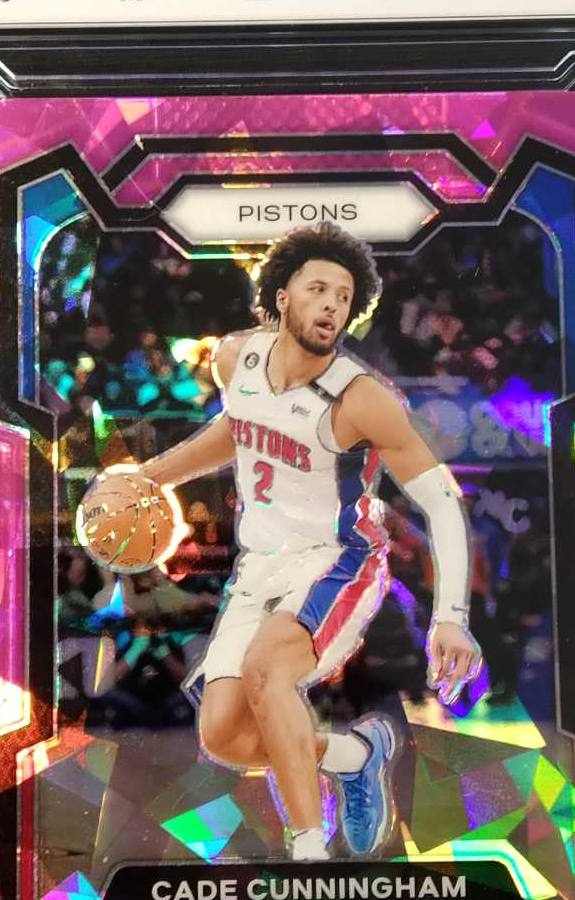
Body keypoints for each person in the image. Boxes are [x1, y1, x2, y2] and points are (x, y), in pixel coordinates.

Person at [84, 225, 481, 861]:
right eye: (317, 289)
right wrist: (152, 476)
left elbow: (441, 502)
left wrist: (452, 616)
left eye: (344, 297)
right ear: (281, 296)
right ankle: (354, 755)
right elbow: (237, 428)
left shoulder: (361, 399)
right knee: (224, 739)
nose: (331, 306)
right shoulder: (235, 358)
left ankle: (309, 854)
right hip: (260, 564)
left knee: (270, 672)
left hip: (339, 561)